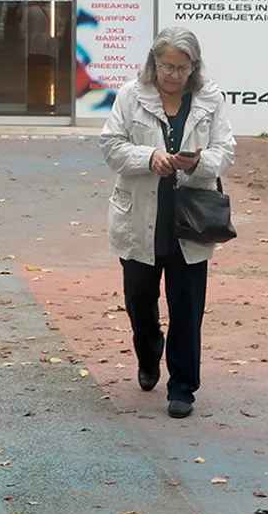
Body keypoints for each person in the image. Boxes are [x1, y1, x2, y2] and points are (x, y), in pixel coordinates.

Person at [98, 26, 236, 418]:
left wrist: (197, 162)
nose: (173, 75)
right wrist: (149, 158)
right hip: (140, 217)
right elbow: (111, 146)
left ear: (194, 67)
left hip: (190, 219)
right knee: (140, 304)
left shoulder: (210, 98)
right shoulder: (130, 96)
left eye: (181, 68)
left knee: (187, 307)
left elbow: (226, 150)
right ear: (153, 62)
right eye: (166, 66)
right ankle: (148, 352)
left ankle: (182, 388)